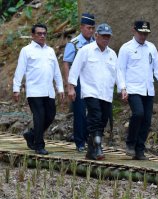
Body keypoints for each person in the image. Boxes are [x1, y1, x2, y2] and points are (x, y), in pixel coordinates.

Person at [67, 23, 121, 160]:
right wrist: (71, 87)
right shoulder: (86, 50)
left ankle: (91, 149)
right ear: (96, 35)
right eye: (103, 36)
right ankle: (98, 147)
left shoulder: (112, 54)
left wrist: (122, 88)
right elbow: (75, 68)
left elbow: (118, 73)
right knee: (95, 117)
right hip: (90, 91)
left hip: (106, 93)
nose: (106, 39)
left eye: (108, 37)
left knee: (103, 120)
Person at [13, 23, 64, 155]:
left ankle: (32, 135)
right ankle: (39, 145)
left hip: (49, 91)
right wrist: (16, 88)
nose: (42, 36)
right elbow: (20, 70)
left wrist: (60, 88)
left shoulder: (50, 51)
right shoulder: (26, 50)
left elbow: (56, 72)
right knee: (39, 117)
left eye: (44, 33)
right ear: (33, 35)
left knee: (50, 115)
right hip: (34, 91)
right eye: (39, 33)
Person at [117, 20, 158, 160]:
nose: (143, 36)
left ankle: (139, 149)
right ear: (134, 31)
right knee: (138, 113)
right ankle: (130, 143)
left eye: (146, 33)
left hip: (148, 89)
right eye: (141, 33)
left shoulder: (151, 48)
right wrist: (122, 88)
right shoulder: (126, 48)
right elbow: (120, 69)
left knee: (147, 120)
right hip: (133, 88)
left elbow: (157, 67)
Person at [63, 13, 95, 152]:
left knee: (93, 112)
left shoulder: (95, 42)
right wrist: (70, 87)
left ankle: (91, 139)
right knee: (80, 112)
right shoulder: (74, 44)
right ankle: (80, 142)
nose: (91, 31)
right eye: (88, 28)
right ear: (82, 27)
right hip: (78, 82)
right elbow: (66, 64)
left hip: (92, 81)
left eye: (93, 28)